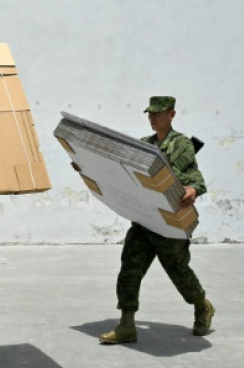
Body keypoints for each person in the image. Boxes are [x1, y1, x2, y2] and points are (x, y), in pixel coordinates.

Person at [76, 96, 214, 345]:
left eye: (158, 114)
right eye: (150, 114)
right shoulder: (143, 146)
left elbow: (194, 177)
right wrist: (87, 165)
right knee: (130, 270)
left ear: (171, 115)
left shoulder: (181, 144)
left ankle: (202, 307)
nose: (153, 118)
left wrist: (193, 190)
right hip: (144, 220)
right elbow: (119, 173)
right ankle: (127, 325)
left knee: (179, 272)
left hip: (169, 222)